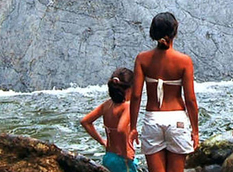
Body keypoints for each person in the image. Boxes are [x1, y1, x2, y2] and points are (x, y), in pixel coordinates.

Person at [130, 13, 199, 172]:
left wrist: (133, 127)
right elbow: (190, 99)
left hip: (153, 118)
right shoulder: (184, 61)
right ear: (175, 31)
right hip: (177, 119)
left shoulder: (142, 59)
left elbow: (135, 95)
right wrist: (195, 131)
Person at [81, 68, 139, 172]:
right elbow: (121, 129)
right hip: (123, 159)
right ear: (129, 89)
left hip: (108, 157)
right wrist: (126, 152)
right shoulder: (127, 107)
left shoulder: (107, 105)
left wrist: (102, 141)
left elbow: (85, 121)